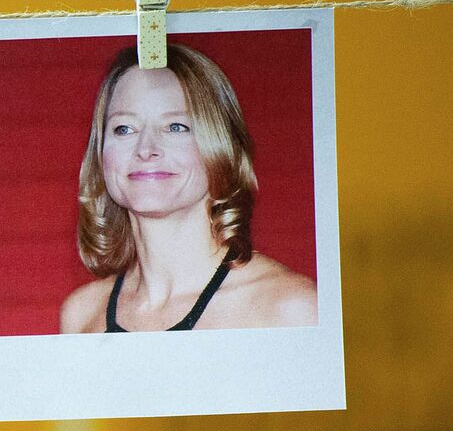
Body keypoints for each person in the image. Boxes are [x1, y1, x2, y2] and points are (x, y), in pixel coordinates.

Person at [59, 44, 316, 334]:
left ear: (221, 146)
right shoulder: (82, 314)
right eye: (124, 128)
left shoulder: (289, 309)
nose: (146, 149)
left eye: (176, 127)